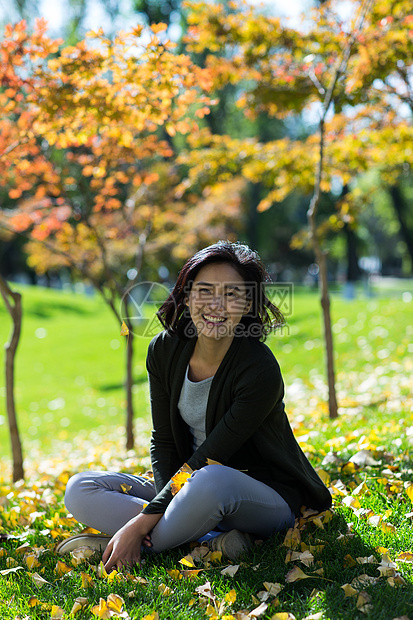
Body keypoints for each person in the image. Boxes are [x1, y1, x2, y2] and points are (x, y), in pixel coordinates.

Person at [58, 241, 331, 571]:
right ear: (186, 297)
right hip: (185, 484)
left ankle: (141, 545)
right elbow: (164, 441)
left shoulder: (259, 370)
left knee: (209, 479)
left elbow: (210, 458)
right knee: (80, 488)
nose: (216, 304)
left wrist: (142, 522)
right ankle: (211, 541)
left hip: (258, 493)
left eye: (232, 294)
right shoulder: (164, 350)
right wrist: (164, 504)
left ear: (247, 304)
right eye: (204, 291)